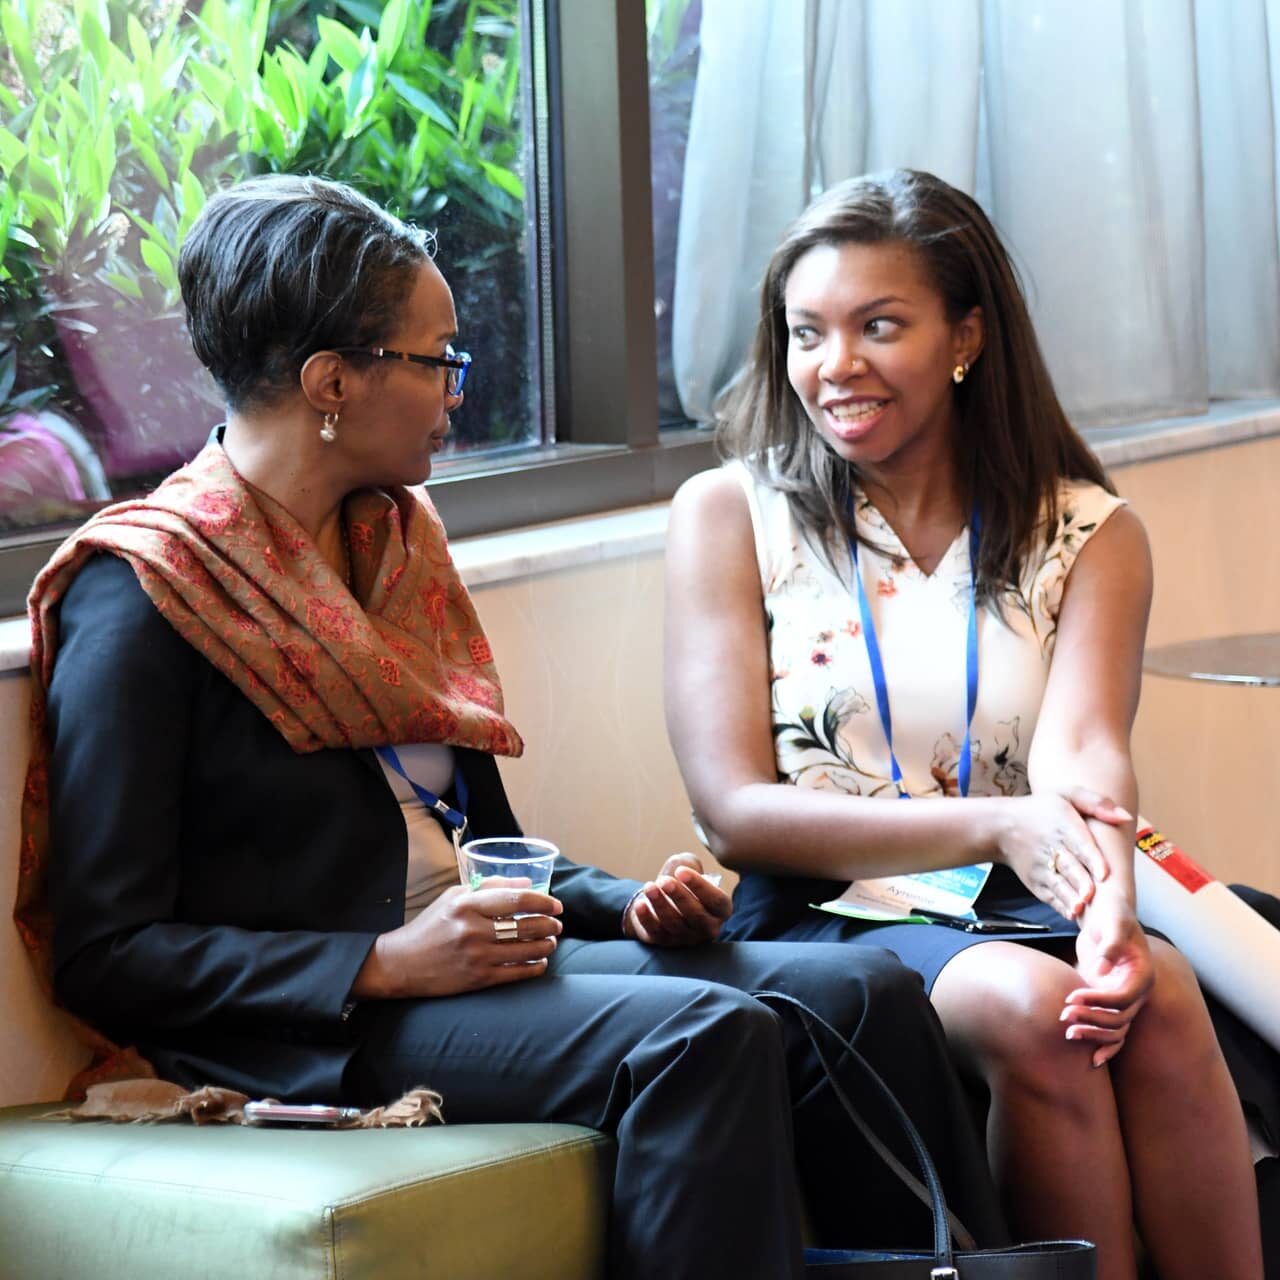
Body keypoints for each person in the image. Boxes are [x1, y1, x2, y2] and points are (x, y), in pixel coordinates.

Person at [13, 174, 1008, 1280]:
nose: (454, 391)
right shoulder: (147, 592)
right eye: (436, 359)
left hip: (461, 964)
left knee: (857, 990)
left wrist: (620, 900)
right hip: (313, 1023)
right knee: (702, 1036)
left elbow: (473, 846)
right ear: (330, 382)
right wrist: (378, 964)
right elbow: (106, 951)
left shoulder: (391, 547)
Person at [664, 168, 1270, 1280]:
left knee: (1158, 997)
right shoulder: (730, 513)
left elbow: (1082, 755)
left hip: (1018, 888)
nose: (831, 364)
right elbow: (733, 812)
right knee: (1041, 1010)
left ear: (965, 335)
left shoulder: (1082, 529)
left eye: (877, 325)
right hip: (816, 905)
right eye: (806, 332)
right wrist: (994, 828)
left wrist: (1110, 916)